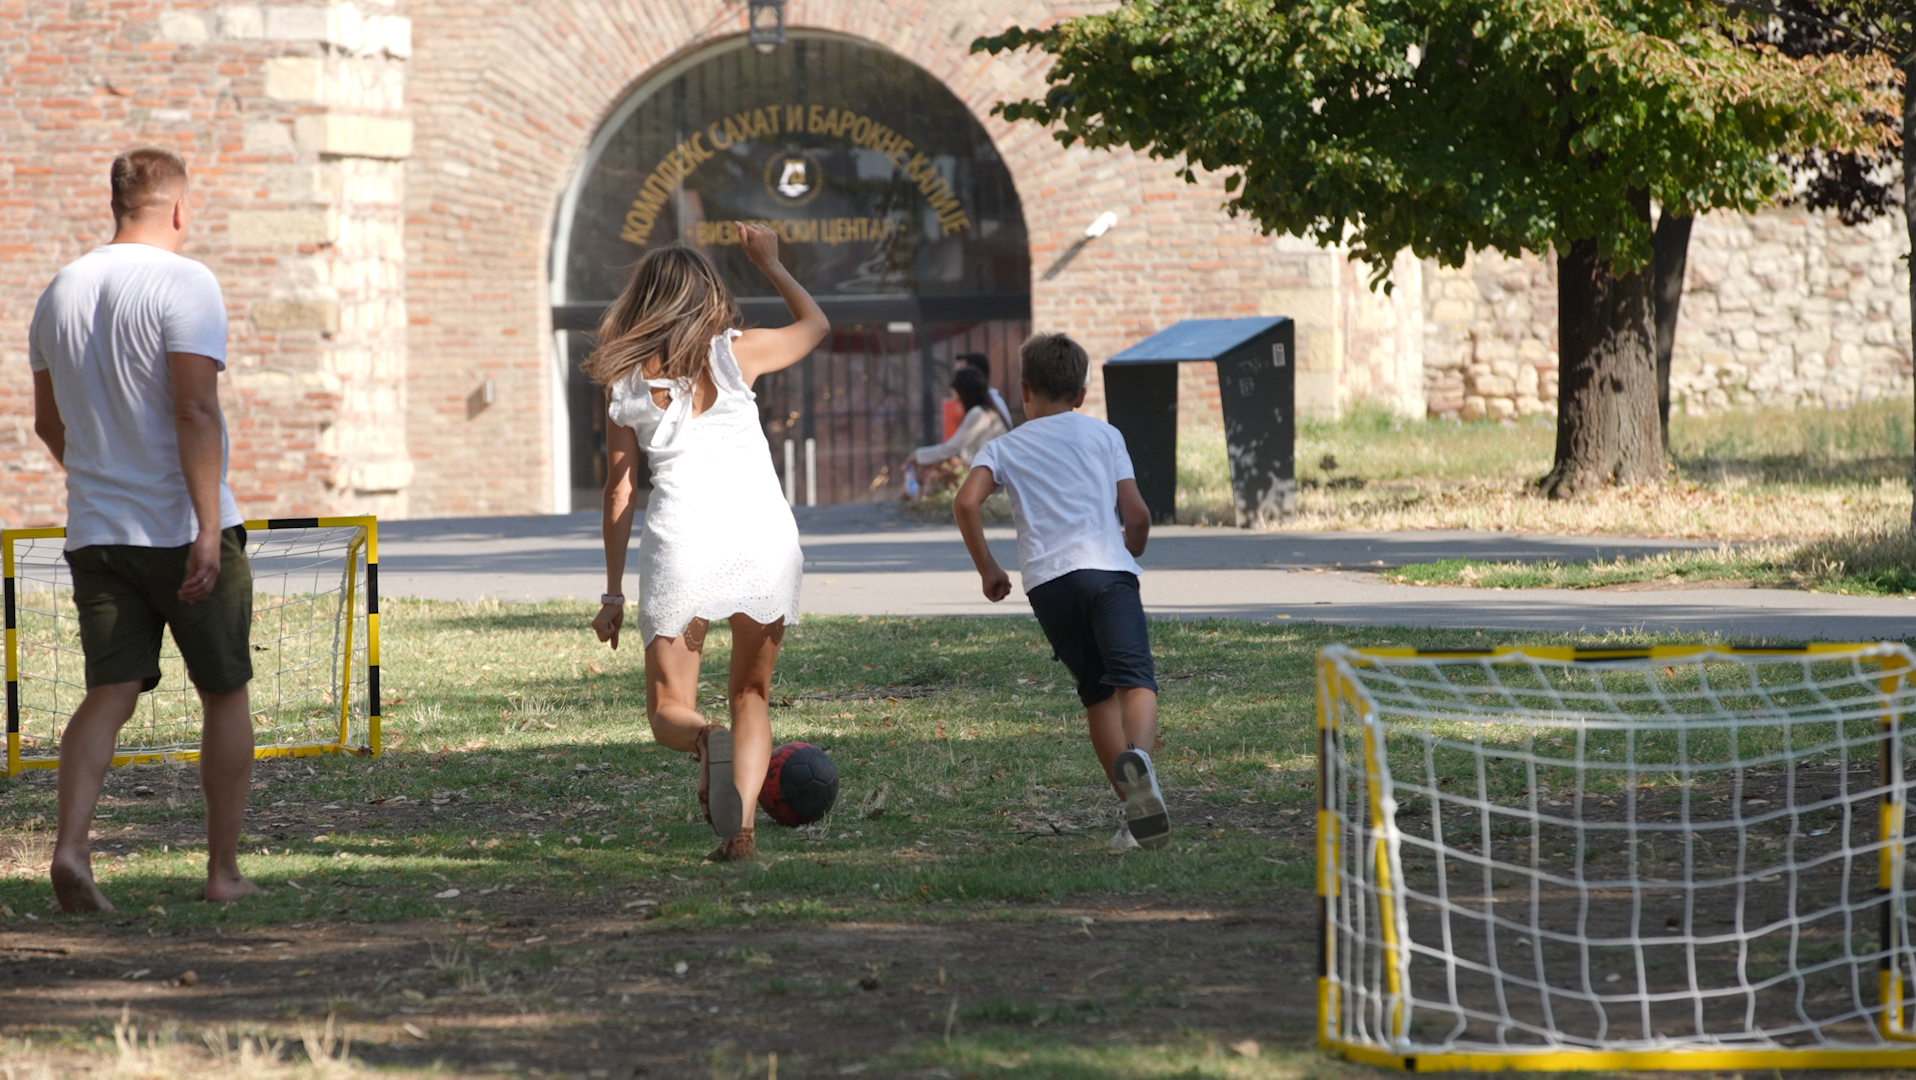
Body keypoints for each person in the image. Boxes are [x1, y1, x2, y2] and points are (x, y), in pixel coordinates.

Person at [29, 147, 259, 911]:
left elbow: (48, 424)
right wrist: (206, 525)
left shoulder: (59, 291)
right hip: (179, 525)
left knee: (109, 691)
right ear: (180, 208)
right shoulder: (186, 282)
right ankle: (223, 872)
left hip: (97, 530)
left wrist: (98, 481)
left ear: (115, 204)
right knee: (224, 690)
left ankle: (71, 849)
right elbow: (194, 408)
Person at [588, 223, 828, 862]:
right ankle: (740, 832)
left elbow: (620, 491)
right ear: (708, 295)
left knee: (670, 707)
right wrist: (770, 262)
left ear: (644, 300)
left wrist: (612, 593)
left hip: (683, 536)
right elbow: (815, 325)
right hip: (764, 532)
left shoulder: (624, 381)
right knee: (751, 692)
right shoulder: (737, 353)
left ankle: (705, 740)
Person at [951, 332, 1169, 851]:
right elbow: (1137, 515)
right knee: (1135, 682)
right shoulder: (1105, 436)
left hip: (1049, 585)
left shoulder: (1004, 446)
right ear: (1082, 394)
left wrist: (988, 569)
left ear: (1025, 391)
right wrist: (1131, 548)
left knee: (1096, 693)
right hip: (1108, 574)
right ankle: (1140, 760)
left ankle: (1131, 811)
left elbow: (965, 502)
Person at [905, 366, 1009, 493]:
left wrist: (918, 455)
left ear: (965, 388)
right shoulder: (984, 411)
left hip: (991, 480)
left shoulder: (978, 413)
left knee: (940, 471)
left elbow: (950, 449)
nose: (951, 389)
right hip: (989, 475)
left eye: (956, 385)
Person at [942, 352, 1012, 439]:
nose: (955, 384)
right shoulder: (980, 405)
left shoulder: (987, 406)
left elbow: (956, 444)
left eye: (960, 375)